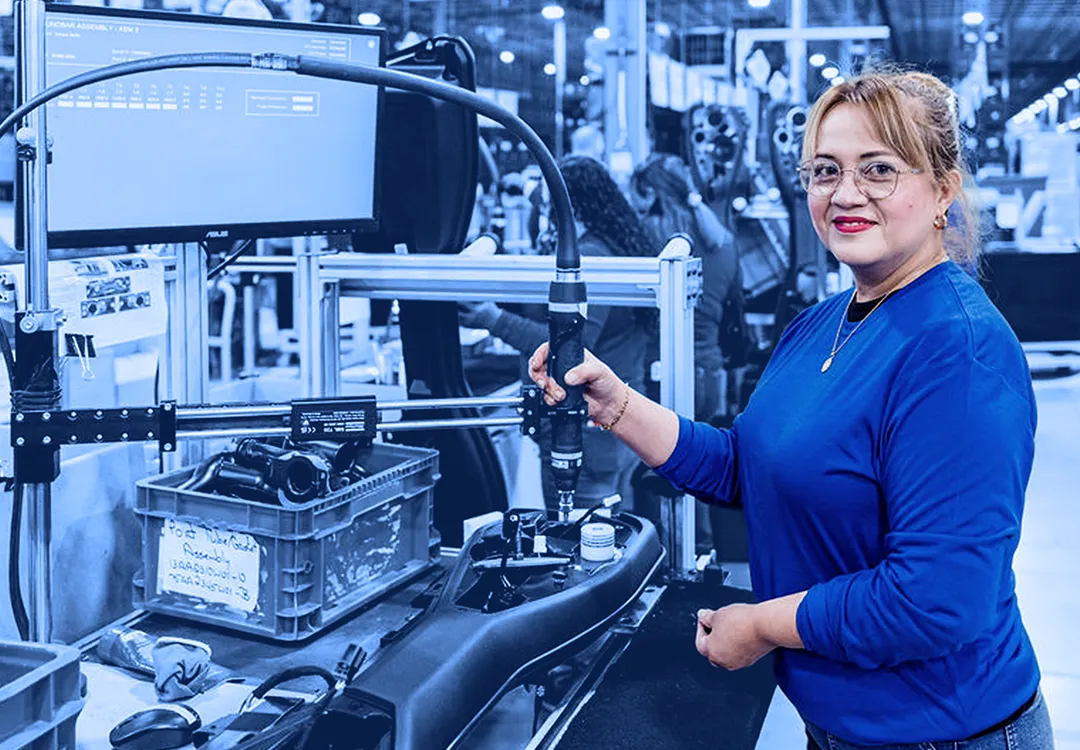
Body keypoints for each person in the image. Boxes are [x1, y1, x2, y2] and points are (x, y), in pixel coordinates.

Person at [528, 69, 1053, 748]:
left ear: (943, 190)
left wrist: (764, 625)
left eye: (879, 170)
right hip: (840, 724)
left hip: (944, 733)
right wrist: (617, 402)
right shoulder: (821, 324)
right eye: (825, 170)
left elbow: (936, 599)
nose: (846, 193)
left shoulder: (959, 352)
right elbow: (747, 466)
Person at [460, 155, 655, 511]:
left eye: (550, 200)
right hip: (612, 431)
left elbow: (572, 347)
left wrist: (492, 318)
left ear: (570, 203)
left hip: (587, 437)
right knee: (613, 539)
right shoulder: (610, 245)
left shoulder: (591, 257)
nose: (544, 208)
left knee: (574, 542)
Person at [629, 152, 749, 422]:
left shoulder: (647, 237)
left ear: (649, 192)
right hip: (709, 377)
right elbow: (735, 299)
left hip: (658, 376)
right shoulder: (723, 240)